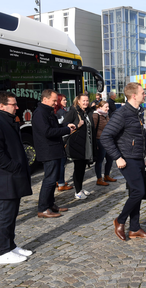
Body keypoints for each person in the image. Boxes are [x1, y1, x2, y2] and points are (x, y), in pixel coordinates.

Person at [101, 82, 146, 241]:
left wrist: (142, 158)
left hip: (137, 158)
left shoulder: (138, 112)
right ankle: (120, 220)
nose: (144, 95)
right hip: (126, 159)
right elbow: (106, 137)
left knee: (136, 193)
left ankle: (135, 228)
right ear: (134, 95)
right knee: (139, 191)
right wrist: (117, 157)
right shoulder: (122, 113)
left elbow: (139, 137)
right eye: (142, 93)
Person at [0, 91, 33, 264]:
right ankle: (3, 251)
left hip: (12, 176)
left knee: (11, 214)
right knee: (5, 215)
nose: (17, 107)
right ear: (1, 106)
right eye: (13, 104)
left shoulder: (8, 120)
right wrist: (14, 166)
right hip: (6, 178)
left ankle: (10, 245)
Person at [32, 89, 75, 218]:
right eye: (54, 100)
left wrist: (66, 126)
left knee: (52, 179)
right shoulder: (40, 113)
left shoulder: (48, 112)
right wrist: (66, 130)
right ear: (45, 99)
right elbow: (47, 132)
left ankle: (50, 205)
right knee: (49, 180)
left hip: (54, 150)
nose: (56, 103)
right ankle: (43, 208)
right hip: (48, 151)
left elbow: (55, 128)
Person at [63, 93, 95, 200]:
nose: (86, 102)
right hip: (77, 145)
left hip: (87, 144)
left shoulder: (88, 112)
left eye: (87, 100)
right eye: (83, 101)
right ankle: (77, 191)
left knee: (82, 168)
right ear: (78, 101)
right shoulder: (73, 111)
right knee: (78, 168)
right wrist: (77, 126)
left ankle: (80, 188)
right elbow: (64, 124)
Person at [93, 101, 116, 186]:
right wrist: (95, 143)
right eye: (106, 107)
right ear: (100, 107)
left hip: (108, 141)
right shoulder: (96, 115)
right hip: (100, 141)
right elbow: (93, 130)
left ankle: (107, 175)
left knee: (110, 159)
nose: (108, 108)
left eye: (108, 107)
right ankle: (99, 179)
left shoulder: (106, 115)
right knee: (100, 160)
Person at [54, 94, 73, 191]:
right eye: (64, 100)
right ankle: (61, 183)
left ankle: (58, 180)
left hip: (57, 140)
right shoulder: (62, 112)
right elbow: (64, 126)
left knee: (59, 163)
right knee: (62, 162)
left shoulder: (55, 112)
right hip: (63, 139)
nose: (66, 101)